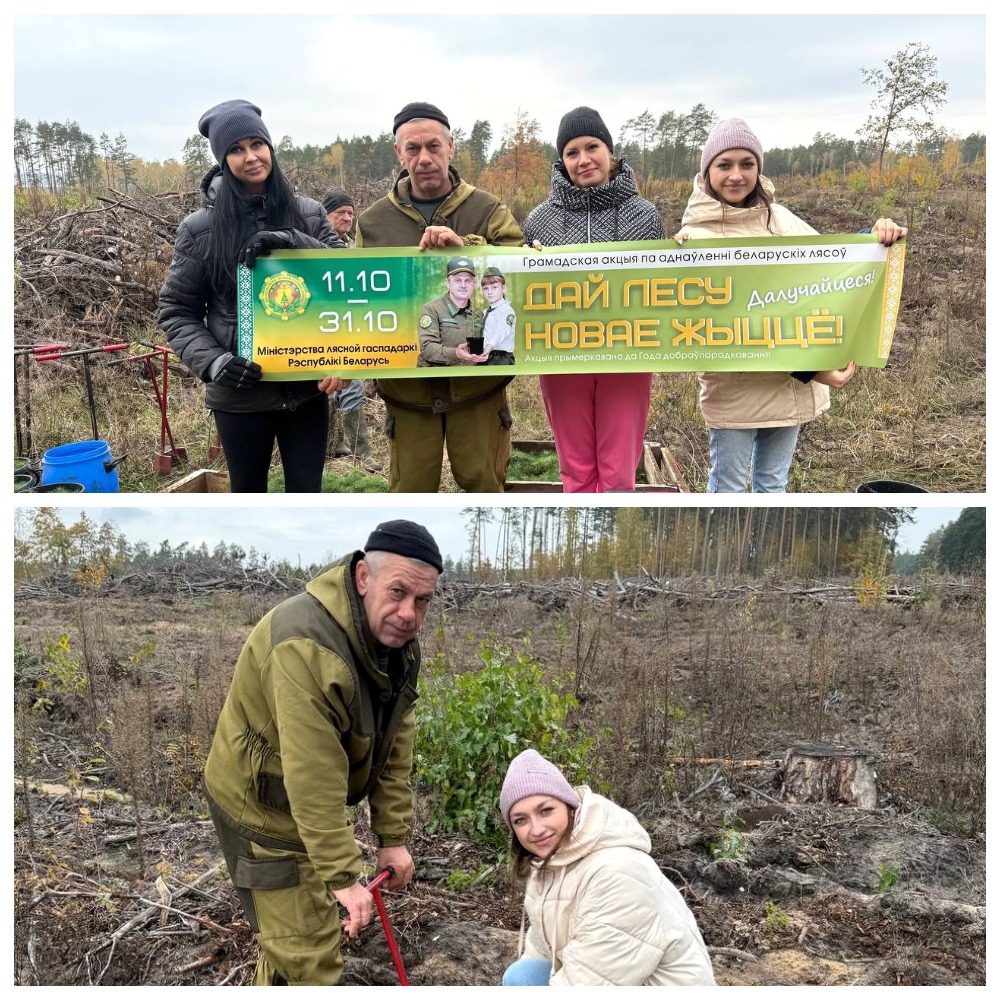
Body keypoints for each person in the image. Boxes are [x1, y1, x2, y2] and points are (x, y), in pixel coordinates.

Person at [202, 519, 443, 985]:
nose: (409, 613)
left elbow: (394, 748)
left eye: (423, 600)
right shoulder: (306, 645)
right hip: (260, 805)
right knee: (310, 956)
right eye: (397, 592)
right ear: (363, 578)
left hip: (299, 801)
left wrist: (391, 837)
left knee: (295, 932)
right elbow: (313, 774)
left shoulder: (396, 644)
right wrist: (342, 876)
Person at [674, 118, 907, 493]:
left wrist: (874, 238)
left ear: (758, 168)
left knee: (772, 486)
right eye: (724, 164)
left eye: (746, 164)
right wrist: (811, 370)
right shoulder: (694, 237)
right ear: (707, 172)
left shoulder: (781, 220)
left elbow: (832, 267)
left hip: (789, 391)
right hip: (734, 392)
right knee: (728, 489)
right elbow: (728, 327)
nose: (736, 175)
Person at [158, 99, 347, 493]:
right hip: (240, 397)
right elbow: (176, 310)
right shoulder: (201, 229)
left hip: (307, 390)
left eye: (257, 145)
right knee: (247, 492)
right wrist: (214, 362)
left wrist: (293, 241)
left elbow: (346, 281)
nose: (250, 157)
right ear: (223, 160)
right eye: (236, 149)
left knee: (306, 493)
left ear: (270, 148)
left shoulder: (309, 215)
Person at [355, 101, 524, 493]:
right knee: (410, 488)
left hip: (478, 388)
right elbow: (358, 299)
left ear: (451, 146)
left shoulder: (487, 209)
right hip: (408, 393)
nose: (424, 158)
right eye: (413, 149)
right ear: (398, 153)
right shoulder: (373, 222)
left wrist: (466, 247)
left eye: (433, 146)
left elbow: (520, 267)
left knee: (482, 484)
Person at [523, 107, 665, 493]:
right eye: (572, 152)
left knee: (619, 472)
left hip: (628, 355)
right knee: (576, 469)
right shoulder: (539, 221)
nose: (583, 159)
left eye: (592, 147)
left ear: (610, 151)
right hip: (562, 355)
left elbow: (664, 284)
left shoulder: (645, 215)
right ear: (562, 160)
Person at [499, 750, 716, 987]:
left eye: (546, 810)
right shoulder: (548, 863)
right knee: (522, 976)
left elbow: (592, 983)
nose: (537, 829)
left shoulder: (618, 872)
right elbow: (541, 949)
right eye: (521, 820)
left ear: (570, 806)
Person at [320, 187, 380, 471]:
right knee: (328, 390)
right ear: (325, 215)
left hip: (350, 333)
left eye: (350, 213)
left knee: (353, 388)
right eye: (340, 213)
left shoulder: (350, 248)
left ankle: (360, 453)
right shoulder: (313, 248)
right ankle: (332, 446)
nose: (346, 218)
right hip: (322, 333)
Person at [417, 256, 487, 367]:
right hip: (437, 377)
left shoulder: (479, 315)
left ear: (474, 284)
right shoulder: (431, 309)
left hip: (467, 378)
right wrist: (456, 353)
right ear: (448, 283)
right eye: (458, 280)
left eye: (467, 281)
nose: (463, 285)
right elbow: (427, 348)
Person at [480, 266, 516, 365]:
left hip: (501, 358)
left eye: (494, 287)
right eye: (485, 288)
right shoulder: (486, 311)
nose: (489, 292)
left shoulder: (507, 311)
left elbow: (501, 331)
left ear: (503, 289)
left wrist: (490, 346)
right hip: (487, 355)